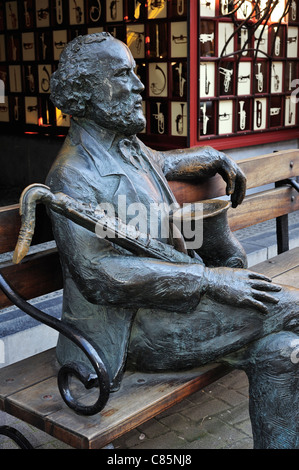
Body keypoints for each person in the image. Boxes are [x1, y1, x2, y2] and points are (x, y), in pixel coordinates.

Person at [47, 32, 299, 448]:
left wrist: (211, 155)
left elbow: (165, 161)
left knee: (284, 350)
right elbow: (100, 274)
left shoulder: (126, 148)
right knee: (292, 306)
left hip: (170, 307)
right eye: (122, 75)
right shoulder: (74, 174)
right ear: (85, 94)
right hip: (130, 330)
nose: (139, 85)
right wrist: (212, 281)